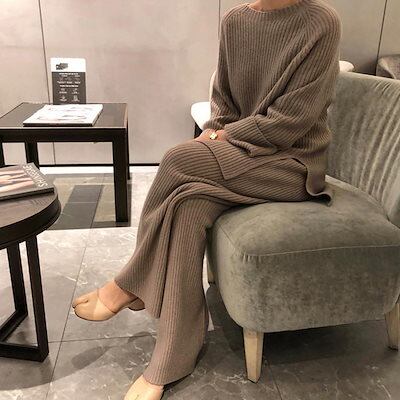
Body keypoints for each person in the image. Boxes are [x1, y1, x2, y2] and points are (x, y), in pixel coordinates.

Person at [72, 0, 342, 398]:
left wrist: (219, 139)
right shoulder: (235, 20)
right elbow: (224, 102)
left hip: (293, 165)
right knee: (187, 205)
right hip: (243, 156)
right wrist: (215, 134)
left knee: (178, 158)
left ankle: (129, 283)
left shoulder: (321, 22)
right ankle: (175, 352)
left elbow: (292, 121)